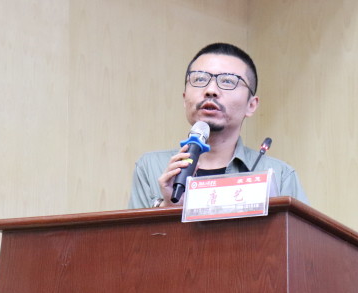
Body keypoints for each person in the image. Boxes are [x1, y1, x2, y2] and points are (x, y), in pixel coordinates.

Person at [128, 43, 308, 209]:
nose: (211, 90)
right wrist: (169, 206)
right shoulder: (151, 167)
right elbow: (134, 234)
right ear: (184, 98)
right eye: (200, 79)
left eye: (228, 81)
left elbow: (300, 234)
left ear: (251, 105)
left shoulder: (280, 175)